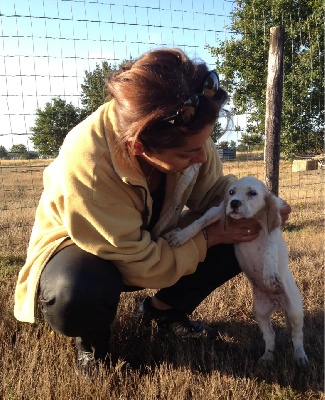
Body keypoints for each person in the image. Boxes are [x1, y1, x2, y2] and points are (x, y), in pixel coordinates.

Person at [14, 48, 290, 374]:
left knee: (241, 228)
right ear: (139, 147)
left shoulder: (185, 128)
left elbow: (214, 191)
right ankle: (91, 343)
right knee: (76, 292)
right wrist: (208, 236)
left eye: (206, 143)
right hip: (88, 250)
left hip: (150, 236)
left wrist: (257, 204)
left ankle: (162, 311)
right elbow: (138, 263)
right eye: (189, 152)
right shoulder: (88, 161)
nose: (202, 157)